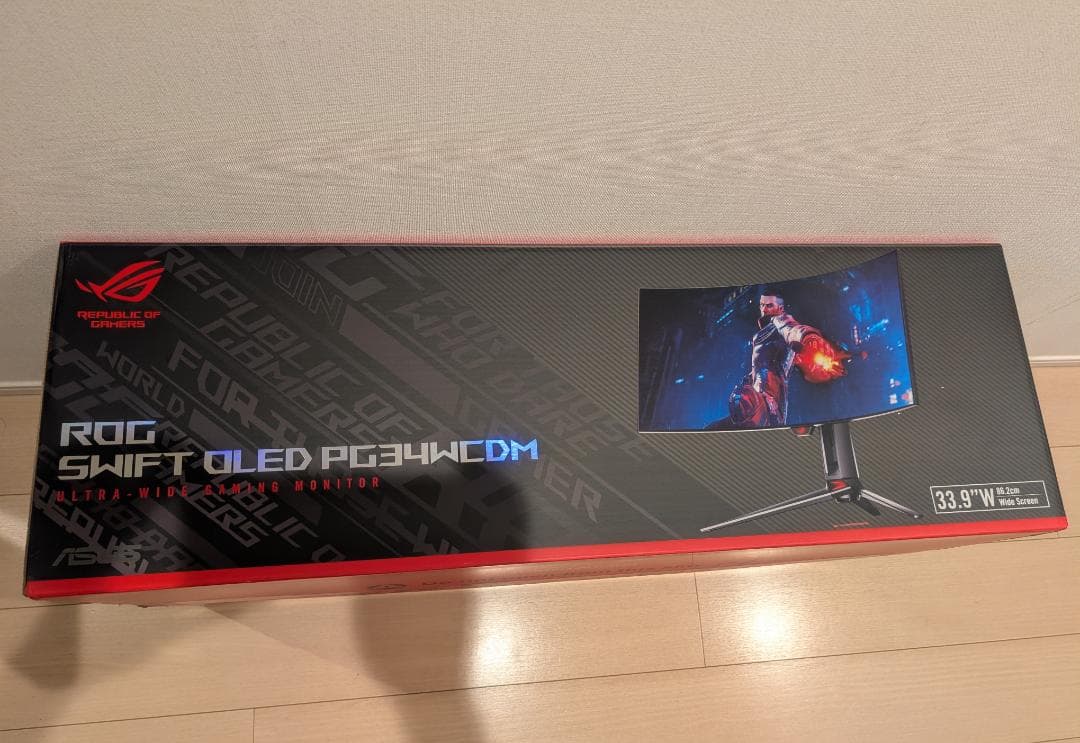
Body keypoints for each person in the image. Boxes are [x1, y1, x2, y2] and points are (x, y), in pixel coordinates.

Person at [711, 292, 847, 429]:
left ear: (780, 308)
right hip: (762, 403)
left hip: (766, 404)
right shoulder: (765, 333)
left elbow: (792, 329)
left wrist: (808, 337)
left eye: (769, 305)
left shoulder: (779, 322)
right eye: (762, 305)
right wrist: (748, 380)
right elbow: (762, 366)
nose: (764, 309)